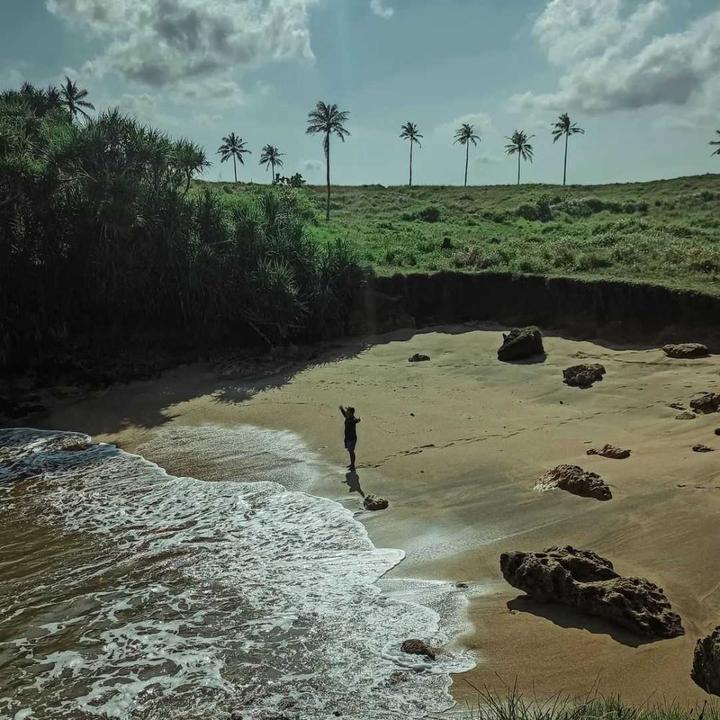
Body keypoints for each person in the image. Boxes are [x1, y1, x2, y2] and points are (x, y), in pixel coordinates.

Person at [339, 405, 361, 470]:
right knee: (350, 451)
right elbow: (344, 414)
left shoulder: (352, 419)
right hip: (347, 438)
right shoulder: (348, 417)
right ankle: (352, 464)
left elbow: (356, 421)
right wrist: (341, 409)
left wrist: (358, 420)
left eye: (347, 411)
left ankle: (353, 465)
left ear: (351, 413)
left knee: (351, 451)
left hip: (352, 438)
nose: (346, 412)